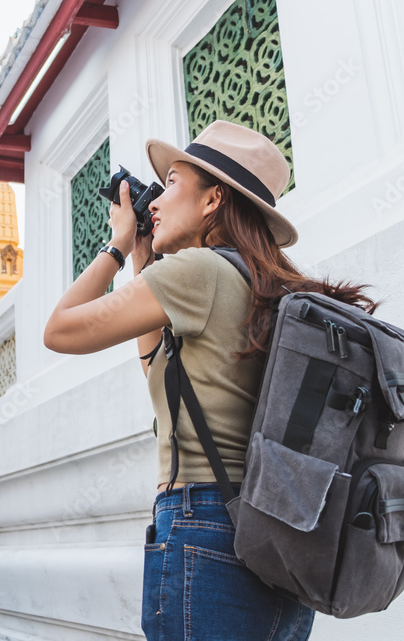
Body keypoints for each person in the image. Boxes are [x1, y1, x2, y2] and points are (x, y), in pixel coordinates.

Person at [44, 120, 376, 640]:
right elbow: (161, 370)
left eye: (173, 183)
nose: (155, 201)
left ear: (212, 200)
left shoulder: (197, 272)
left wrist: (116, 243)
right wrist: (142, 260)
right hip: (273, 532)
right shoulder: (259, 281)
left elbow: (60, 330)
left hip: (203, 525)